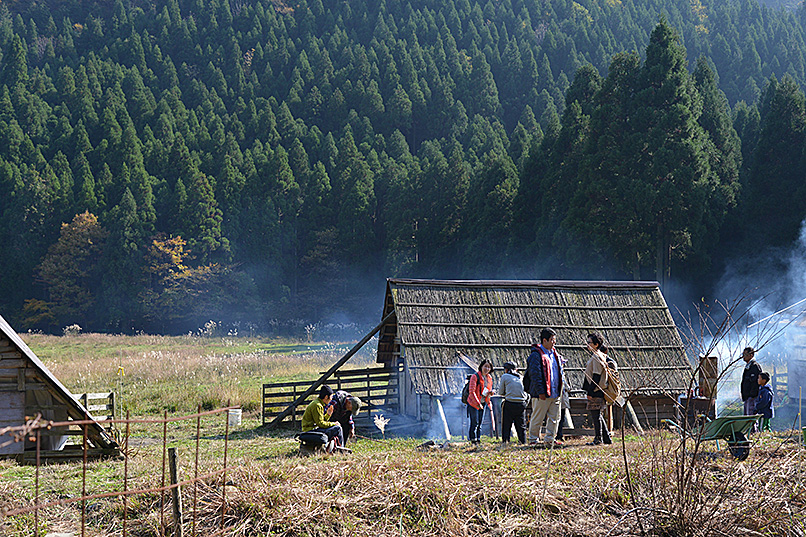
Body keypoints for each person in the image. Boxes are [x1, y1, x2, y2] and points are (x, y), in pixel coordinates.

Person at [526, 328, 564, 446]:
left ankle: (550, 439)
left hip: (555, 391)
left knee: (555, 417)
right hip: (541, 393)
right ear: (544, 340)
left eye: (554, 340)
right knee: (538, 416)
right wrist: (540, 391)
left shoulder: (555, 354)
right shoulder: (536, 355)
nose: (554, 342)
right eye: (552, 340)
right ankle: (533, 439)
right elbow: (535, 375)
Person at [583, 332, 614, 445]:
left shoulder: (597, 356)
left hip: (596, 390)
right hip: (598, 390)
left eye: (589, 342)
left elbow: (596, 376)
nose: (587, 344)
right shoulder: (599, 355)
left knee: (596, 415)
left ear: (596, 344)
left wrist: (590, 391)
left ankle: (598, 439)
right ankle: (606, 438)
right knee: (598, 415)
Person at [301, 385, 343, 449]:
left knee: (336, 427)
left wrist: (328, 414)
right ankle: (340, 448)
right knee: (337, 428)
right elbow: (320, 424)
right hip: (310, 430)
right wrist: (334, 424)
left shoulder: (319, 404)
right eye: (331, 396)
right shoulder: (317, 405)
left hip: (314, 428)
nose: (331, 399)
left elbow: (321, 421)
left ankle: (333, 447)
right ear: (326, 397)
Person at [498, 361, 527, 444]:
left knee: (506, 424)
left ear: (506, 370)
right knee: (521, 425)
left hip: (510, 402)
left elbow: (501, 392)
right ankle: (523, 442)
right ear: (516, 369)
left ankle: (505, 442)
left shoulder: (505, 376)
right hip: (521, 403)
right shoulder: (521, 377)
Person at [467, 359, 494, 445]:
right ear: (481, 367)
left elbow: (487, 390)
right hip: (473, 402)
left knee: (480, 423)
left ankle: (478, 440)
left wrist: (490, 393)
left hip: (483, 402)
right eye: (485, 366)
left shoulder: (489, 378)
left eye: (489, 367)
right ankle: (472, 440)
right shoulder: (475, 377)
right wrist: (477, 403)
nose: (487, 369)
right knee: (474, 422)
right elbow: (472, 392)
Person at [740, 347, 762, 433]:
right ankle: (748, 432)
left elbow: (756, 382)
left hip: (752, 396)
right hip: (747, 396)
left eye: (745, 355)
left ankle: (753, 433)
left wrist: (752, 395)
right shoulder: (748, 366)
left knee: (751, 416)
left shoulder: (754, 366)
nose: (743, 357)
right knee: (746, 416)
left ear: (751, 355)